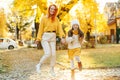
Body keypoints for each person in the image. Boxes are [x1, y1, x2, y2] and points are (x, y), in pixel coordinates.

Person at [35, 4, 65, 76]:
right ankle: (39, 65)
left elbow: (60, 29)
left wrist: (62, 37)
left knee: (54, 54)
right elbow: (40, 29)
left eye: (54, 9)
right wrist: (38, 39)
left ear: (55, 11)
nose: (52, 10)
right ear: (49, 9)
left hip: (53, 36)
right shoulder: (44, 18)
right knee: (48, 53)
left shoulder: (56, 19)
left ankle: (52, 69)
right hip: (45, 37)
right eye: (51, 9)